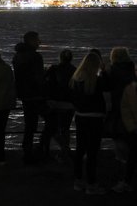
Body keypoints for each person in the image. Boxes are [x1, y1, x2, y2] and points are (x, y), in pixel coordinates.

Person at [71, 52, 109, 195]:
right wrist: (104, 72)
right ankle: (91, 184)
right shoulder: (98, 80)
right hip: (95, 118)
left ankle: (78, 181)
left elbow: (73, 99)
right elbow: (107, 93)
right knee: (92, 153)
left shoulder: (76, 80)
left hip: (80, 117)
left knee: (80, 150)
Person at [12, 31, 46, 164]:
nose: (40, 42)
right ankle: (40, 148)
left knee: (29, 125)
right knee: (52, 121)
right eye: (38, 40)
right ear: (31, 41)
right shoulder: (35, 57)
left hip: (24, 95)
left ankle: (28, 151)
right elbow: (38, 78)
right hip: (36, 95)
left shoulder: (17, 56)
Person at [41, 49, 76, 161]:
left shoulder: (54, 69)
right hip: (70, 104)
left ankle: (49, 151)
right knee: (65, 128)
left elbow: (44, 81)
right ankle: (65, 151)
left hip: (54, 104)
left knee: (51, 128)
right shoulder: (75, 70)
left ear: (60, 58)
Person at [107, 47, 136, 165]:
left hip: (118, 105)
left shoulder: (113, 70)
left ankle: (121, 158)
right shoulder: (131, 69)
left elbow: (107, 86)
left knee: (117, 133)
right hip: (132, 105)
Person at [114, 79, 137, 192]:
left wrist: (131, 126)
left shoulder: (129, 89)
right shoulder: (129, 89)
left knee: (132, 155)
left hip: (133, 129)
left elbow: (125, 109)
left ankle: (127, 182)